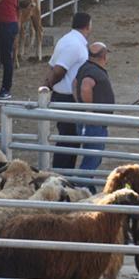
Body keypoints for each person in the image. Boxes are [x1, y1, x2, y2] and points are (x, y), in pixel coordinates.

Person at [43, 12, 92, 170]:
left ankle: (64, 172)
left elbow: (53, 66)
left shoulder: (67, 40)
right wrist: (48, 85)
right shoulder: (75, 45)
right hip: (67, 98)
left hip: (65, 96)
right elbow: (58, 70)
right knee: (68, 140)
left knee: (70, 139)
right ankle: (62, 172)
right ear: (88, 25)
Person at [73, 42, 114, 173]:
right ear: (104, 56)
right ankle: (82, 185)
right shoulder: (94, 71)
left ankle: (87, 187)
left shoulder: (85, 67)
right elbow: (85, 86)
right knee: (92, 159)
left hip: (90, 120)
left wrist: (79, 102)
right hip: (94, 122)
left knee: (93, 157)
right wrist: (89, 108)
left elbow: (75, 84)